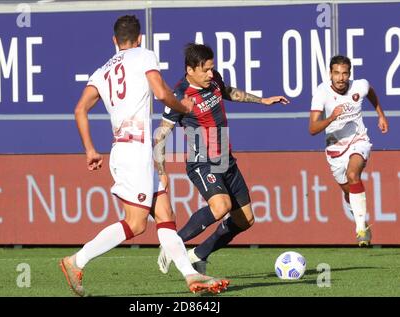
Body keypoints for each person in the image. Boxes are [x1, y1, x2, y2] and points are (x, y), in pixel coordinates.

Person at [59, 16, 229, 296]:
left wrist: (89, 148)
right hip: (133, 152)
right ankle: (75, 261)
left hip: (128, 149)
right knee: (136, 224)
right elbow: (162, 93)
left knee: (165, 215)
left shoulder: (102, 71)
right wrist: (184, 107)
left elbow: (80, 110)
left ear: (115, 41)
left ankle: (191, 276)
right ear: (139, 39)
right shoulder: (144, 55)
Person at [155, 43, 289, 275]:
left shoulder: (214, 79)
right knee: (220, 207)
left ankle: (198, 254)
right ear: (190, 70)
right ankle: (172, 243)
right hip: (202, 161)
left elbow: (228, 91)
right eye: (205, 70)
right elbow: (160, 135)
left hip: (224, 158)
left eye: (212, 69)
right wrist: (161, 172)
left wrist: (262, 100)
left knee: (245, 220)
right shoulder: (179, 95)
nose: (211, 73)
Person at [309, 55, 388, 246]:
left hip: (358, 140)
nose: (341, 78)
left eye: (344, 73)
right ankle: (361, 219)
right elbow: (312, 129)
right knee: (348, 192)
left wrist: (381, 115)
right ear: (330, 74)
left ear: (349, 74)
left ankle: (360, 228)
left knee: (354, 175)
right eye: (337, 73)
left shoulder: (359, 86)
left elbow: (370, 92)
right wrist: (331, 118)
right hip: (335, 149)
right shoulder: (322, 92)